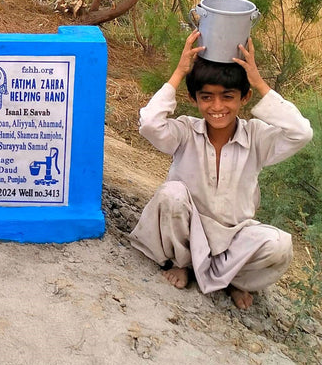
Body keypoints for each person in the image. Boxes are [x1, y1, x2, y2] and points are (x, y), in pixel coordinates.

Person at [130, 30, 313, 310]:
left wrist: (260, 82)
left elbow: (301, 132)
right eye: (207, 97)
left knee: (279, 245)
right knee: (172, 195)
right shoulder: (185, 131)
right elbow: (150, 124)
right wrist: (179, 72)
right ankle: (184, 265)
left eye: (227, 97)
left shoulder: (257, 137)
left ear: (245, 97)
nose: (217, 107)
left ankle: (232, 280)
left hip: (233, 237)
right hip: (187, 230)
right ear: (194, 99)